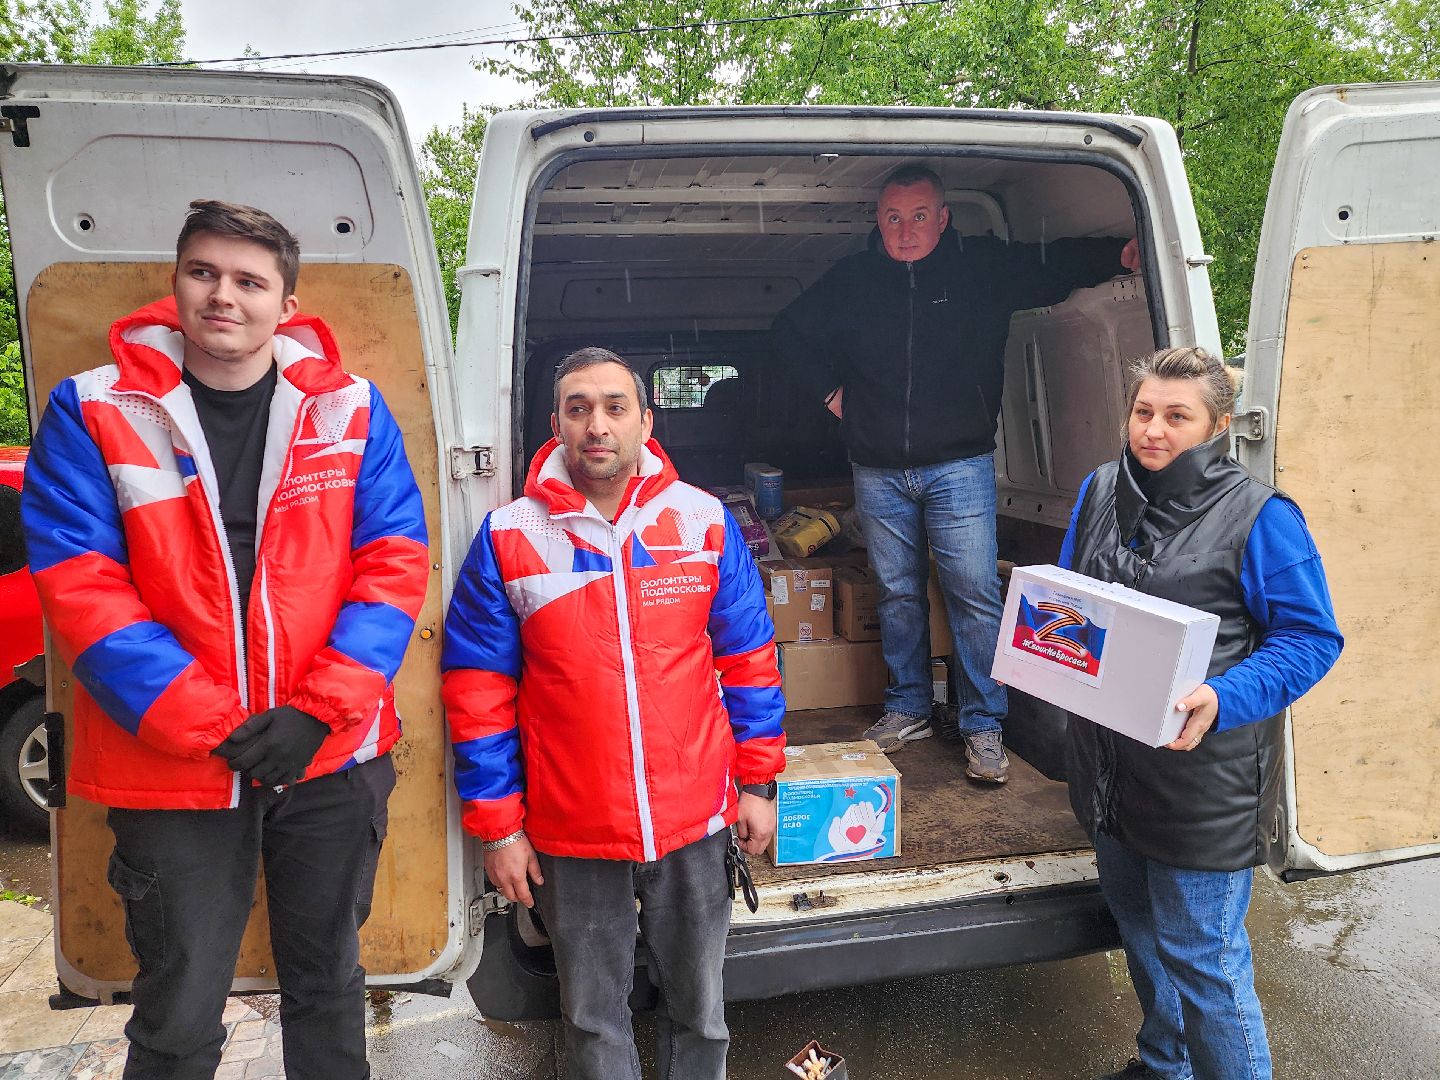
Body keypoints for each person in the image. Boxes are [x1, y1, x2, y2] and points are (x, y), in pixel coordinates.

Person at [21, 200, 430, 1080]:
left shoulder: (351, 409)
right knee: (178, 1009)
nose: (223, 297)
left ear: (287, 304)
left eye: (250, 281)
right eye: (203, 273)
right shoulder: (93, 408)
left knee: (328, 987)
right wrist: (214, 725)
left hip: (329, 756)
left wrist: (317, 714)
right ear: (174, 285)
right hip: (171, 764)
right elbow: (82, 587)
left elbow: (393, 563)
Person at [441, 346, 785, 1080]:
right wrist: (499, 827)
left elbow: (750, 661)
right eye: (578, 408)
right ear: (558, 425)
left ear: (645, 420)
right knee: (593, 1023)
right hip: (572, 829)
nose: (597, 425)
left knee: (702, 1013)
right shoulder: (511, 535)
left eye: (614, 407)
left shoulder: (702, 521)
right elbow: (476, 691)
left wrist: (757, 785)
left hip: (692, 819)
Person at [772, 163, 1139, 781]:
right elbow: (788, 332)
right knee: (896, 594)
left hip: (960, 465)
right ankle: (909, 706)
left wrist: (1117, 253)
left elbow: (1049, 263)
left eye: (919, 216)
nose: (906, 230)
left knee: (973, 594)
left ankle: (983, 725)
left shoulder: (980, 269)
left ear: (942, 218)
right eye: (893, 218)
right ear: (879, 222)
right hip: (878, 467)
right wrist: (830, 393)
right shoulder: (854, 280)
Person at [1059, 347, 1344, 1080]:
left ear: (1217, 426)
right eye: (1143, 411)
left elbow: (1312, 639)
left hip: (1202, 782)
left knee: (1205, 962)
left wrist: (1223, 696)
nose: (1153, 430)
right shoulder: (1097, 492)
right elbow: (1065, 601)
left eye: (1177, 417)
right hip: (1112, 770)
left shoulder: (1262, 515)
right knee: (1141, 932)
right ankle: (1164, 1063)